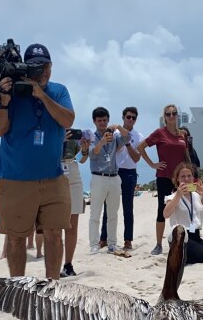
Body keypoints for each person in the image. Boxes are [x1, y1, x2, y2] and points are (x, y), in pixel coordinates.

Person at [0, 42, 74, 278]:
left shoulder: (59, 91)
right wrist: (5, 101)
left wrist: (41, 95)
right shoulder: (12, 93)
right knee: (16, 238)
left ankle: (52, 288)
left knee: (54, 234)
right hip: (15, 179)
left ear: (51, 66)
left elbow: (67, 120)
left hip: (53, 178)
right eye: (36, 68)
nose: (43, 72)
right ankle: (19, 288)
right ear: (26, 69)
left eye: (46, 66)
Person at [137, 104, 191, 255]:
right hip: (164, 177)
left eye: (174, 113)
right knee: (162, 210)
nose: (172, 116)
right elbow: (140, 147)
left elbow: (186, 155)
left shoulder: (182, 135)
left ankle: (184, 241)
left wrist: (191, 174)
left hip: (181, 179)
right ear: (164, 117)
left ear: (177, 115)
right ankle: (158, 244)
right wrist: (152, 164)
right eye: (168, 114)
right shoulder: (159, 133)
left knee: (184, 209)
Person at [86, 107, 133, 255]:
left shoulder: (114, 136)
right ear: (94, 121)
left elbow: (127, 138)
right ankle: (94, 244)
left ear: (108, 120)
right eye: (99, 120)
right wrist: (101, 142)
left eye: (104, 120)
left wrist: (119, 127)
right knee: (95, 214)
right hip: (98, 177)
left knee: (113, 213)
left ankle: (112, 244)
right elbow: (93, 154)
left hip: (114, 177)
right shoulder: (91, 137)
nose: (102, 123)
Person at [163, 163, 203, 264]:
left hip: (195, 235)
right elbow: (166, 214)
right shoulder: (172, 197)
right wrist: (178, 195)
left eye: (189, 176)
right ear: (177, 179)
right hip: (181, 237)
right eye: (183, 176)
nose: (186, 179)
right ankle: (177, 254)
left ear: (193, 177)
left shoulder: (197, 195)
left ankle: (187, 254)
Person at [98, 107, 143, 251]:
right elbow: (110, 153)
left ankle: (128, 240)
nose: (130, 120)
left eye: (133, 118)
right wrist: (120, 138)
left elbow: (136, 158)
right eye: (128, 117)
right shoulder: (113, 133)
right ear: (123, 117)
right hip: (114, 172)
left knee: (128, 208)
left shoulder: (139, 136)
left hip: (130, 173)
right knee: (108, 207)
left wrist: (128, 142)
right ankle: (103, 238)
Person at [59, 129, 86, 277]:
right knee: (55, 225)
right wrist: (59, 141)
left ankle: (68, 264)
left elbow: (81, 159)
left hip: (74, 174)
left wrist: (85, 149)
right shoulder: (49, 131)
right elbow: (42, 154)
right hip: (55, 174)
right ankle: (54, 263)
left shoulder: (75, 135)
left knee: (72, 225)